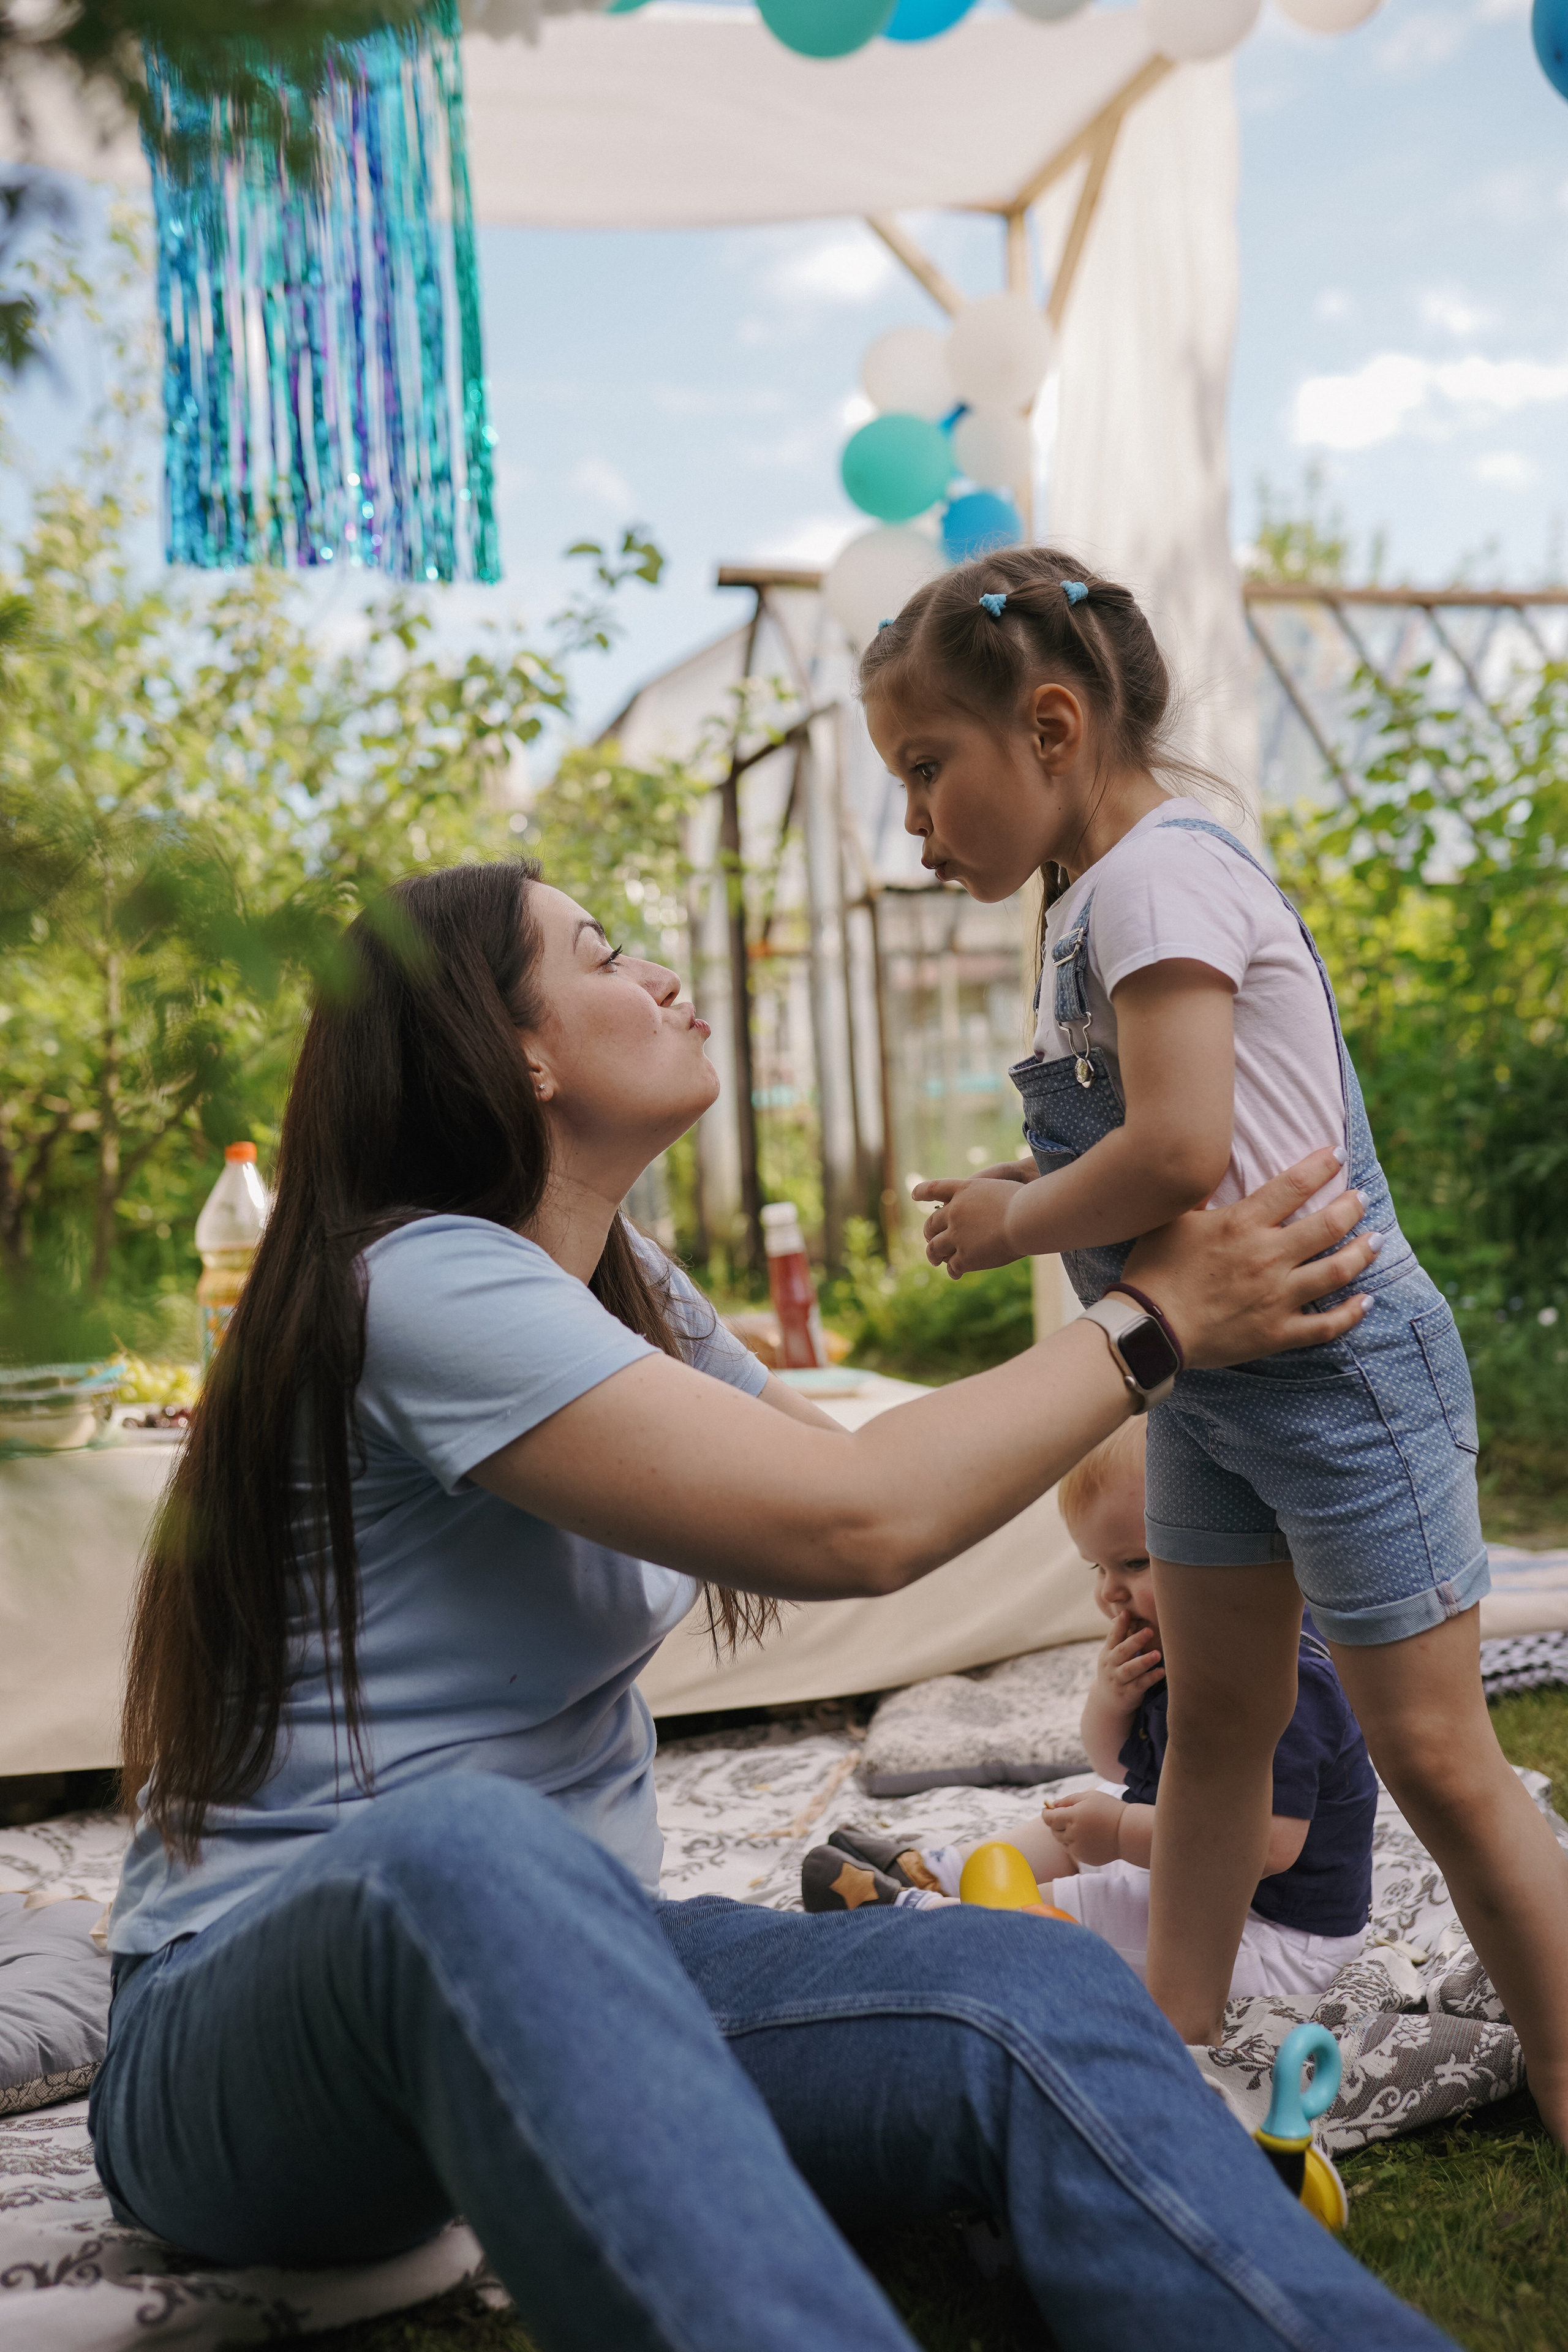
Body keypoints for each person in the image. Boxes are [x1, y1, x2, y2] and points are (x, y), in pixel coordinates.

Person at [89, 858, 1452, 2352]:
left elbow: (877, 1470)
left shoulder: (623, 1281)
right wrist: (1153, 1319)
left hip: (586, 1971)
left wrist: (1171, 1397)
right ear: (515, 1048)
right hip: (254, 2036)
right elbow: (853, 1519)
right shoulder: (409, 1286)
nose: (663, 976)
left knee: (1025, 1973)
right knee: (468, 1847)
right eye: (604, 953)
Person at [861, 545, 1568, 2134]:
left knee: (1434, 1749)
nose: (911, 818)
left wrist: (1014, 1222)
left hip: (1336, 1371)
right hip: (1205, 1393)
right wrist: (1030, 1186)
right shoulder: (1092, 904)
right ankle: (1175, 2015)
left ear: (1051, 728)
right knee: (1218, 1725)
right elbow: (1152, 1139)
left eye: (923, 767)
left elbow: (1179, 1152)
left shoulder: (1158, 879)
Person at [807, 1419, 1378, 2009]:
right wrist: (1112, 1700)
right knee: (1083, 1810)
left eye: (1134, 1562)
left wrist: (1123, 1832)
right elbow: (1117, 1767)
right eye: (1097, 1568)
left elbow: (1266, 1848)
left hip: (1274, 1940)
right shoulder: (1174, 1640)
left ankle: (928, 1922)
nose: (1110, 1591)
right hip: (1191, 1868)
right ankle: (939, 1871)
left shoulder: (1286, 1674)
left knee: (1080, 1915)